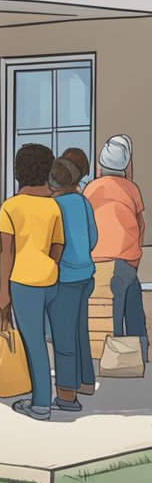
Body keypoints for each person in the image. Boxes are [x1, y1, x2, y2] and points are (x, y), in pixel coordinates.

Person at [0, 144, 65, 420]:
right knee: (51, 340)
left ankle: (40, 404)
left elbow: (6, 252)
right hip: (51, 280)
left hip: (23, 283)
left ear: (18, 171)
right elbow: (58, 246)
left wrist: (3, 291)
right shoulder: (52, 206)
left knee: (34, 342)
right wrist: (48, 265)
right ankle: (52, 396)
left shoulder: (10, 207)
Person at [85, 135, 147, 357]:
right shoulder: (131, 189)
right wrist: (135, 258)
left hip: (96, 261)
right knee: (132, 305)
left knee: (110, 307)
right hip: (125, 259)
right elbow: (140, 227)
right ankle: (136, 354)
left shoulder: (91, 189)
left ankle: (113, 353)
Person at [50, 154, 99, 407]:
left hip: (64, 278)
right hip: (85, 275)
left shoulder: (53, 206)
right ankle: (86, 381)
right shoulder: (83, 202)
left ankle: (67, 393)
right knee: (80, 331)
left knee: (63, 337)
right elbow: (93, 239)